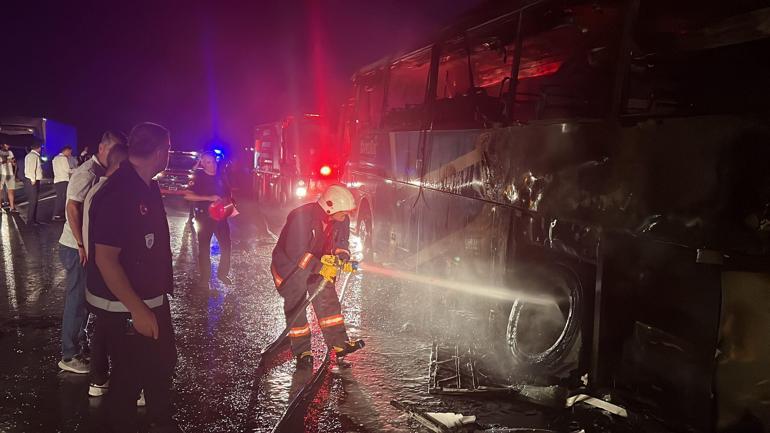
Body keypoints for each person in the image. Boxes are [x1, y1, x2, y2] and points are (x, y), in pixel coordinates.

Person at [88, 122, 176, 433]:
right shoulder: (119, 191)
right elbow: (106, 259)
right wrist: (137, 310)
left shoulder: (146, 187)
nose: (169, 155)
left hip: (151, 301)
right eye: (168, 149)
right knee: (127, 384)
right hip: (125, 310)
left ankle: (160, 422)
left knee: (161, 368)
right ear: (160, 152)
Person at [270, 184, 364, 368]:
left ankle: (339, 344)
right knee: (296, 309)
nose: (347, 216)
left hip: (317, 264)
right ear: (331, 206)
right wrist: (321, 267)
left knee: (328, 301)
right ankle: (302, 351)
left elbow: (341, 242)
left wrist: (342, 257)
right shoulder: (301, 218)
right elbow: (296, 253)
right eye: (344, 212)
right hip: (290, 270)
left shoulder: (340, 219)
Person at [57, 131, 125, 374]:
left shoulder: (101, 172)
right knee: (76, 301)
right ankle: (69, 354)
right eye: (114, 150)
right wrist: (81, 244)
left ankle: (78, 342)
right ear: (103, 147)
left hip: (82, 247)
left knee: (84, 301)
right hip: (74, 248)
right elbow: (72, 207)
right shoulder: (87, 172)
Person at [81, 144, 129, 397]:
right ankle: (128, 386)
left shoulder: (96, 190)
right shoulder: (112, 193)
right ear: (122, 166)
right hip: (110, 276)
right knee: (121, 332)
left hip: (97, 275)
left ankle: (98, 379)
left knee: (103, 328)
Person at [184, 151, 233, 285]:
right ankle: (204, 278)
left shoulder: (221, 176)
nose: (210, 165)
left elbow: (228, 194)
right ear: (202, 164)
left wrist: (228, 205)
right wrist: (209, 198)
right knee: (204, 249)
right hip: (204, 218)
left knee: (226, 246)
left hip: (221, 218)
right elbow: (188, 196)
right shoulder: (198, 177)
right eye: (206, 162)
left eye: (212, 161)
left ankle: (222, 274)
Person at [52, 145, 75, 221]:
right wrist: (76, 170)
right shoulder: (64, 158)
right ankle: (58, 214)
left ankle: (57, 214)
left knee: (59, 197)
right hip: (63, 180)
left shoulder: (55, 158)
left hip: (57, 180)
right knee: (62, 198)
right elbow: (67, 170)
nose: (70, 154)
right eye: (70, 152)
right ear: (66, 150)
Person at [23, 142, 44, 225]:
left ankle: (33, 220)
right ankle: (31, 221)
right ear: (38, 148)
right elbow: (32, 168)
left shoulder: (30, 155)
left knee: (34, 201)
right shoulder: (33, 156)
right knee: (33, 201)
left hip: (32, 180)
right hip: (32, 180)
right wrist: (33, 179)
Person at [0, 142, 19, 213]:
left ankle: (12, 207)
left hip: (10, 174)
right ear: (2, 145)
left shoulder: (10, 152)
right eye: (6, 144)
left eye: (8, 144)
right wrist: (7, 161)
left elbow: (14, 162)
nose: (8, 145)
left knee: (11, 191)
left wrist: (14, 163)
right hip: (1, 173)